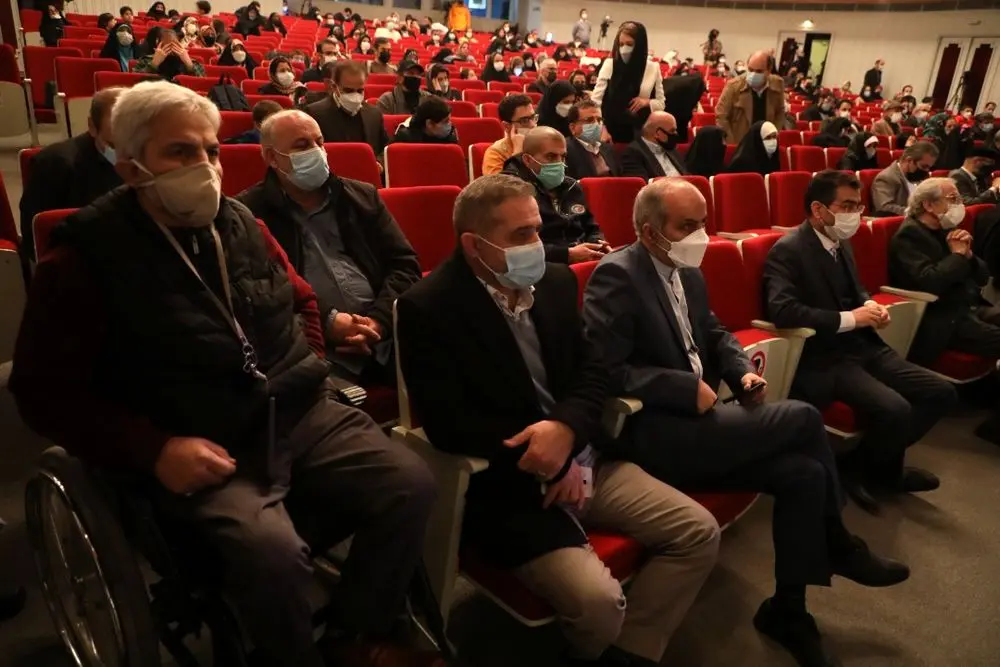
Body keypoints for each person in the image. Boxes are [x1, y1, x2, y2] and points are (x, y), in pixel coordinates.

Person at [10, 80, 440, 667]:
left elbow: (303, 301)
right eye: (180, 152)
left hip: (293, 408)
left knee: (411, 483)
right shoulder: (84, 257)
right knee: (272, 554)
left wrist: (307, 367)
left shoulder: (242, 224)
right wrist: (155, 449)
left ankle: (354, 638)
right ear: (131, 167)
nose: (205, 166)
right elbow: (41, 393)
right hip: (197, 436)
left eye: (211, 150)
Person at [583, 177, 911, 667]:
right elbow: (605, 369)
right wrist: (680, 386)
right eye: (687, 226)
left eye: (703, 224)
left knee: (804, 474)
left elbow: (715, 333)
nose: (700, 235)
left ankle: (788, 611)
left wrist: (741, 373)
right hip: (654, 432)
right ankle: (840, 544)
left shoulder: (687, 271)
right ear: (650, 232)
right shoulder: (617, 275)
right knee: (803, 417)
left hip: (703, 420)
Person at [396, 173, 719, 667]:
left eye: (538, 229)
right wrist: (546, 458)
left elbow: (592, 372)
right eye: (521, 234)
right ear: (473, 245)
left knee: (698, 532)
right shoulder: (429, 308)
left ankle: (630, 655)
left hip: (585, 456)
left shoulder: (554, 282)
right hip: (509, 484)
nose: (537, 244)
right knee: (598, 604)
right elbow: (449, 423)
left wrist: (566, 434)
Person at [763, 170, 955, 514]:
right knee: (896, 409)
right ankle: (864, 471)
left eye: (858, 206)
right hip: (825, 357)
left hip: (863, 346)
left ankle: (871, 464)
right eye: (847, 206)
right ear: (818, 209)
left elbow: (856, 289)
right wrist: (851, 318)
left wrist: (869, 304)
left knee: (940, 392)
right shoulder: (789, 250)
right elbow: (783, 311)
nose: (856, 214)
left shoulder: (840, 241)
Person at [238, 110, 420, 385]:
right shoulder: (248, 214)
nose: (316, 151)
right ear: (272, 157)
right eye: (302, 145)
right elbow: (261, 292)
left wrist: (378, 322)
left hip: (387, 332)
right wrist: (329, 322)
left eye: (319, 142)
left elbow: (404, 263)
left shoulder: (361, 196)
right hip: (309, 345)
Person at [888, 177, 1000, 368]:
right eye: (953, 199)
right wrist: (957, 256)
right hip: (943, 317)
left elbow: (982, 277)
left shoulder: (946, 228)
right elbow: (931, 282)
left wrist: (969, 255)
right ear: (928, 205)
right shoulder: (909, 236)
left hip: (969, 306)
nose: (960, 204)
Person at [19, 88, 125, 264]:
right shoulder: (55, 164)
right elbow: (37, 239)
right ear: (92, 127)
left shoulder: (147, 156)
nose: (125, 155)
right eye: (113, 145)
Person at [502, 127, 609, 265]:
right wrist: (566, 254)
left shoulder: (572, 186)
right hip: (542, 264)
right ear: (528, 160)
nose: (559, 163)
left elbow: (591, 226)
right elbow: (520, 247)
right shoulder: (513, 190)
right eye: (551, 157)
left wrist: (598, 244)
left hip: (580, 257)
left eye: (563, 156)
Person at [307, 61, 390, 174]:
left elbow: (385, 147)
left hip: (367, 176)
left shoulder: (374, 114)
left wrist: (379, 163)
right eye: (348, 90)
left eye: (360, 91)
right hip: (331, 177)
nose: (355, 95)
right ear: (334, 87)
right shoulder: (315, 113)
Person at [590, 22, 665, 144]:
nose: (624, 49)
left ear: (640, 45)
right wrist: (601, 128)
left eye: (630, 44)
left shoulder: (653, 68)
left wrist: (647, 102)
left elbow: (661, 104)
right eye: (621, 44)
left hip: (639, 133)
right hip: (609, 132)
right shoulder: (610, 65)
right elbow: (595, 102)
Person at [715, 50, 784, 145]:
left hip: (765, 142)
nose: (753, 74)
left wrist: (773, 134)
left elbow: (780, 112)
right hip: (739, 141)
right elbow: (721, 116)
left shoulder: (778, 83)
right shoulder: (733, 86)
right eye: (751, 70)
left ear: (769, 70)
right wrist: (731, 144)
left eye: (759, 71)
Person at [872, 141, 939, 216]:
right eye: (924, 166)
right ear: (909, 160)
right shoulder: (887, 177)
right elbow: (884, 207)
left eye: (929, 167)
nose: (927, 170)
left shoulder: (920, 176)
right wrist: (916, 213)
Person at [564, 99, 620, 180]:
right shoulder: (564, 150)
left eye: (599, 120)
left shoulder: (608, 148)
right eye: (589, 120)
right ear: (573, 128)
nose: (596, 124)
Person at [621, 110, 686, 179]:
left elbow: (686, 174)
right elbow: (640, 183)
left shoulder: (670, 148)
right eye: (672, 130)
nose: (676, 134)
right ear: (657, 133)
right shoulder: (633, 153)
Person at [483, 93, 537, 176]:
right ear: (507, 126)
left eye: (533, 117)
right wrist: (518, 154)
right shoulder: (496, 153)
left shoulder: (541, 144)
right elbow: (502, 184)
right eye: (524, 121)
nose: (533, 125)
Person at [134, 28, 205, 80]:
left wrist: (189, 66)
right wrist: (154, 65)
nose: (171, 49)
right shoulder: (146, 60)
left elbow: (202, 85)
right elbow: (135, 82)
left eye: (174, 45)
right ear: (158, 44)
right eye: (167, 46)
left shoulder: (193, 63)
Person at [393, 96, 458, 145]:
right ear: (429, 124)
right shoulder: (404, 139)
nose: (450, 125)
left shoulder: (451, 140)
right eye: (445, 121)